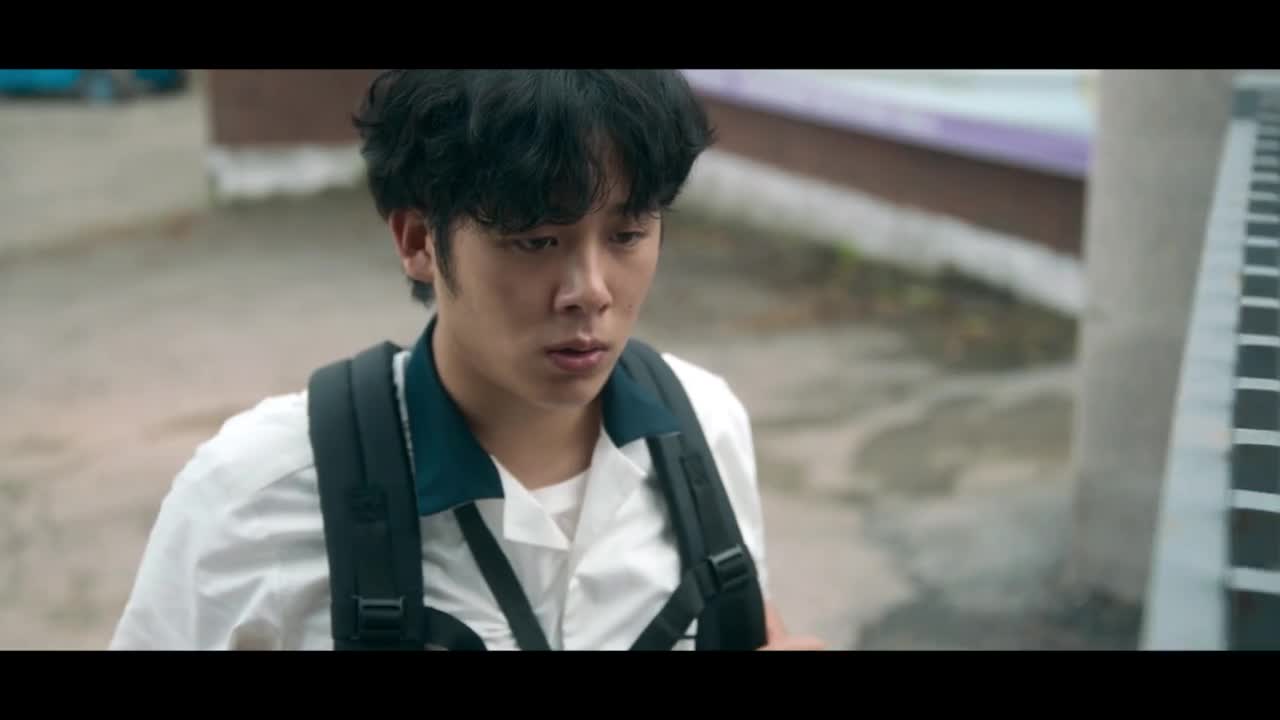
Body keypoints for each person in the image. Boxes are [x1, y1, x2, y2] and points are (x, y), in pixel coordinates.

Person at [109, 70, 825, 651]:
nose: (591, 291)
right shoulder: (257, 495)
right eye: (536, 240)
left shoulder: (703, 428)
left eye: (628, 233)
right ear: (419, 241)